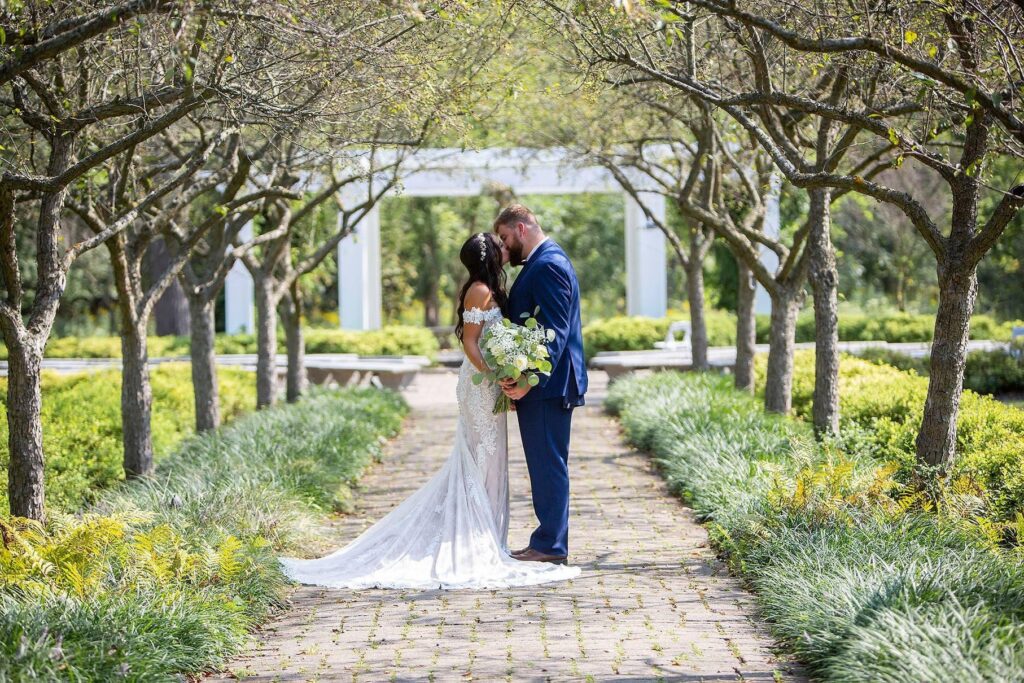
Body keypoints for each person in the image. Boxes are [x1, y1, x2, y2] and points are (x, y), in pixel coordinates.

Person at [278, 231, 580, 589]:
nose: (505, 247)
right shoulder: (479, 291)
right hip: (480, 386)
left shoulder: (492, 289)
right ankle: (470, 534)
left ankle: (485, 533)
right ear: (488, 257)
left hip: (491, 386)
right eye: (499, 245)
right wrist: (494, 374)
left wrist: (508, 370)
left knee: (492, 459)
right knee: (479, 458)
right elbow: (469, 341)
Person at [494, 203, 587, 566]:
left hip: (550, 387)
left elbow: (554, 331)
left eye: (504, 238)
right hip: (543, 387)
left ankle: (550, 546)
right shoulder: (541, 261)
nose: (503, 247)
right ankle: (547, 540)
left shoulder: (548, 264)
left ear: (520, 228)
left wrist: (530, 381)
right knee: (543, 464)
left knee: (548, 465)